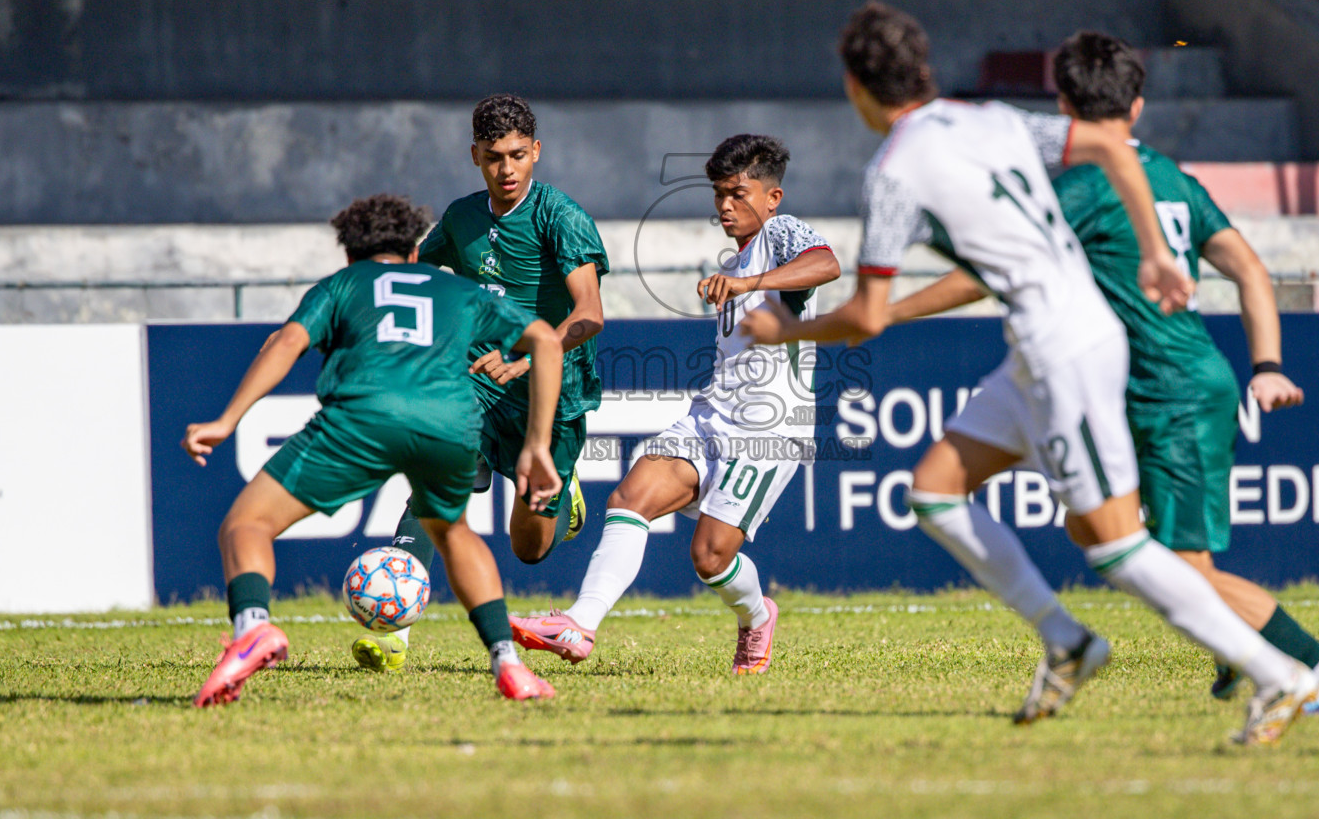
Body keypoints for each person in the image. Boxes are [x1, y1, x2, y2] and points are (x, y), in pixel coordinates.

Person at [741, 1, 1318, 745]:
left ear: (856, 87)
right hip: (1044, 343)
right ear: (924, 68)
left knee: (1117, 547)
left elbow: (869, 316)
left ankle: (1279, 675)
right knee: (935, 490)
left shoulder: (892, 173)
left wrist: (786, 329)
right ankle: (1067, 641)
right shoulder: (991, 120)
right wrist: (1155, 252)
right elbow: (1113, 148)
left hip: (1062, 350)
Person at [1045, 31, 1319, 716]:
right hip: (1136, 394)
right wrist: (1266, 366)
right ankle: (1229, 640)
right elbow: (1250, 269)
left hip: (1176, 393)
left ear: (1063, 106)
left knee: (1182, 571)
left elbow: (1003, 260)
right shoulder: (1172, 179)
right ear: (1137, 107)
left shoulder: (1081, 186)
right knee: (1092, 528)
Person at [183, 193, 561, 706]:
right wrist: (536, 445)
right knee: (453, 533)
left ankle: (252, 628)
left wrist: (227, 419)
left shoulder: (343, 284)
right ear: (414, 252)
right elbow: (546, 341)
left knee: (246, 523)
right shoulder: (457, 289)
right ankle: (508, 664)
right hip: (447, 424)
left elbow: (285, 343)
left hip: (362, 417)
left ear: (349, 254)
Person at [511, 134, 840, 674]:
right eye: (719, 194)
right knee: (630, 496)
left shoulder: (780, 233)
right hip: (711, 416)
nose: (725, 206)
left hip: (769, 429)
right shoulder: (739, 259)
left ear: (772, 197)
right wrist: (741, 279)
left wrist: (747, 282)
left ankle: (758, 617)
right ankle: (580, 625)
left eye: (738, 193)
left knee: (710, 557)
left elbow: (826, 264)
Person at [353, 94, 608, 674]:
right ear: (475, 156)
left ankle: (563, 491)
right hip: (475, 377)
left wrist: (526, 357)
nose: (506, 169)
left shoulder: (561, 217)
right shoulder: (461, 217)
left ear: (536, 151)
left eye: (517, 155)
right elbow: (414, 272)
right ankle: (393, 633)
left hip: (552, 391)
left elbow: (590, 313)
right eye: (494, 157)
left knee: (529, 548)